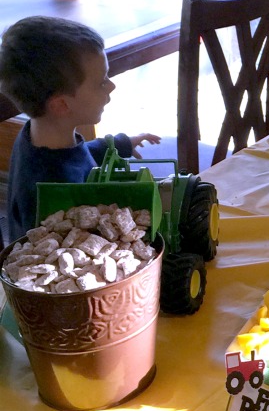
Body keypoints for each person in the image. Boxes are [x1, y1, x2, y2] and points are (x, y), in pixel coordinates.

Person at [0, 16, 160, 245]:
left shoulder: (43, 137)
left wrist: (123, 143)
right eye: (101, 82)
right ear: (62, 105)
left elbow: (78, 156)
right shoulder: (52, 190)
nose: (111, 85)